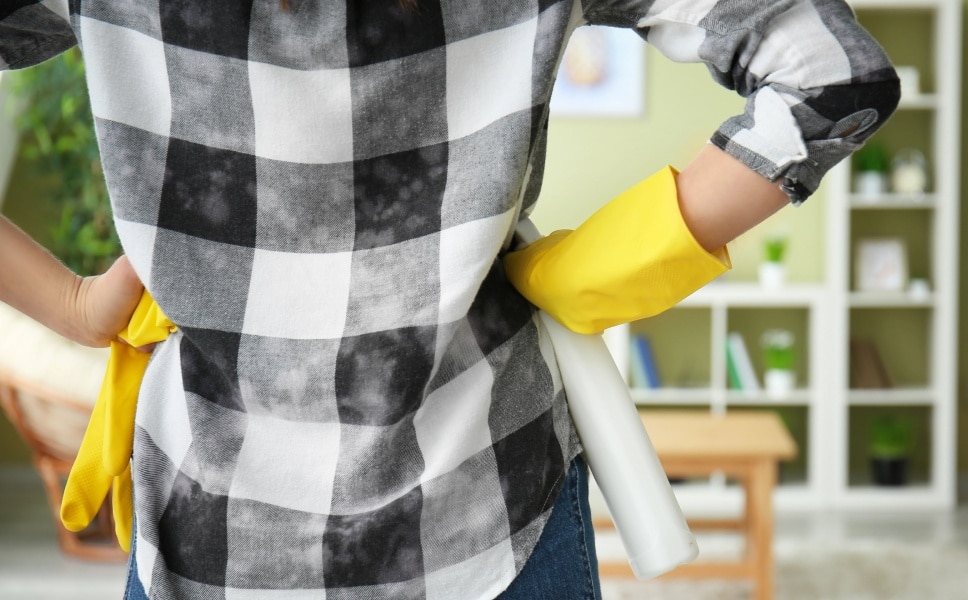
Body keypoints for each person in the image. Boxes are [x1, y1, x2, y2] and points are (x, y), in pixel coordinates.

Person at [0, 0, 898, 598]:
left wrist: (82, 305)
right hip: (488, 510)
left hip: (210, 528)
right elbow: (830, 74)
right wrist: (626, 254)